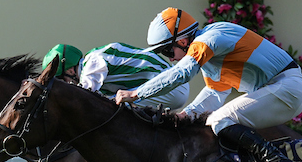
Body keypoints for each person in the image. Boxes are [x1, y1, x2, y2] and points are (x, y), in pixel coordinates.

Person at [115, 8, 302, 162]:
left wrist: (136, 93)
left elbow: (181, 73)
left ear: (182, 41)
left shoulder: (209, 40)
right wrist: (184, 115)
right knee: (213, 120)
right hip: (281, 88)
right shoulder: (212, 57)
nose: (171, 59)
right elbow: (215, 94)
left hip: (286, 87)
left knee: (219, 120)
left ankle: (274, 159)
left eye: (168, 51)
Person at [42, 41, 191, 112]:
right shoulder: (92, 59)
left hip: (173, 88)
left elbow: (82, 99)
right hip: (171, 88)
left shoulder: (92, 62)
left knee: (107, 107)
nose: (66, 84)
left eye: (62, 80)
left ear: (70, 71)